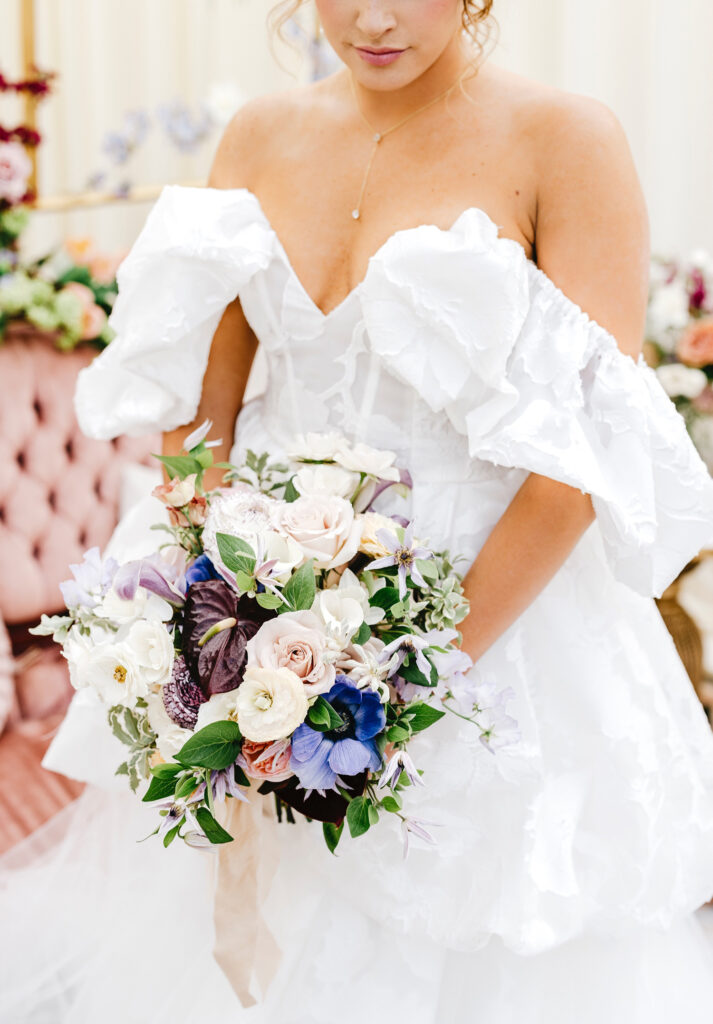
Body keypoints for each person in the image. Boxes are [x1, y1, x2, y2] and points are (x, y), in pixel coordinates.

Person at [3, 1, 713, 1021]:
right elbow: (202, 423)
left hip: (494, 645)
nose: (372, 17)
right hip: (268, 632)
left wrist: (411, 679)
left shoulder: (565, 139)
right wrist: (218, 631)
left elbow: (575, 468)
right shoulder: (258, 136)